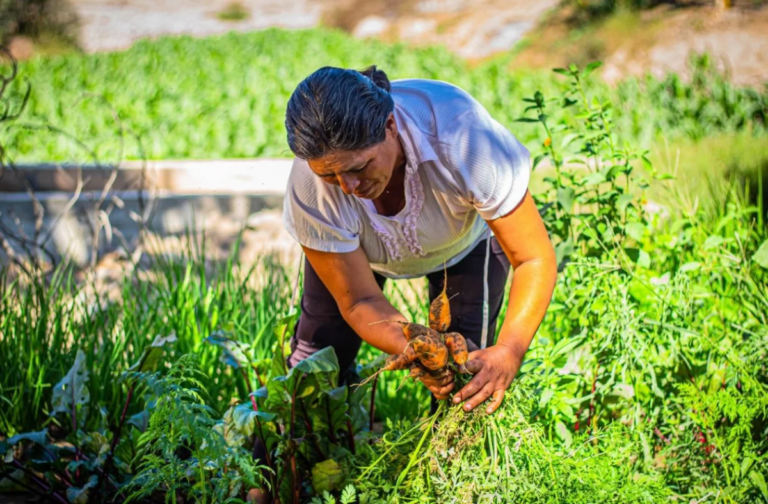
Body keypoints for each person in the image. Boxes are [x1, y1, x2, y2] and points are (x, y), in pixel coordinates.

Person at [282, 65, 557, 414]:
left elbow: (534, 258)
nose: (349, 187)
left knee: (466, 375)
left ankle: (450, 463)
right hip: (359, 254)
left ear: (390, 127)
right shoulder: (309, 184)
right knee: (313, 364)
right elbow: (359, 300)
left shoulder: (463, 138)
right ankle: (299, 458)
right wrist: (414, 346)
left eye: (359, 168)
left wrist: (511, 350)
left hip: (464, 244)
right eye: (330, 175)